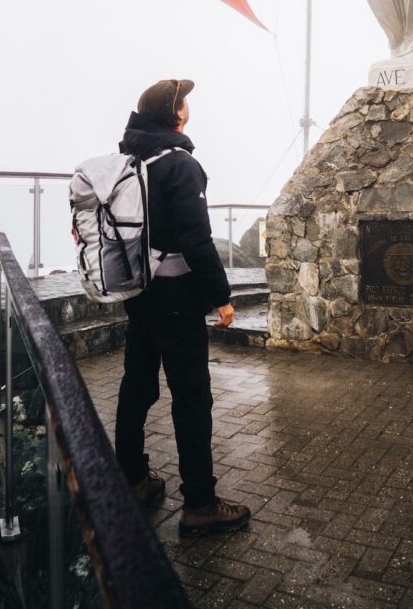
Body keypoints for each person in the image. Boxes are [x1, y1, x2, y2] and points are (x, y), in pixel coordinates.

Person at [114, 78, 251, 536]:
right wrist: (221, 296)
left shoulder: (130, 161)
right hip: (177, 300)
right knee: (192, 399)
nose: (188, 108)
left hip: (139, 294)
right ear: (172, 114)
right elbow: (196, 239)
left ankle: (132, 479)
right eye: (184, 102)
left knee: (136, 387)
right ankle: (199, 504)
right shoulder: (180, 165)